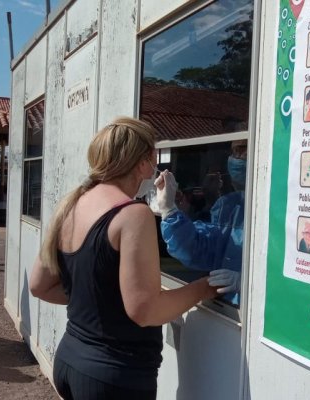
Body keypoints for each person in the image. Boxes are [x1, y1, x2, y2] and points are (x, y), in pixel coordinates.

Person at [29, 117, 218, 400]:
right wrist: (204, 288)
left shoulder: (71, 204)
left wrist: (99, 301)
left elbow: (39, 285)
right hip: (114, 377)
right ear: (142, 163)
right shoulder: (133, 214)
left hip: (70, 359)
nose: (155, 168)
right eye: (153, 159)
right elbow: (145, 310)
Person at [156, 140, 248, 305]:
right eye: (235, 151)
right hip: (225, 310)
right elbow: (196, 248)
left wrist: (251, 281)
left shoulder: (282, 207)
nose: (239, 157)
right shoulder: (228, 205)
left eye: (244, 149)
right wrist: (170, 211)